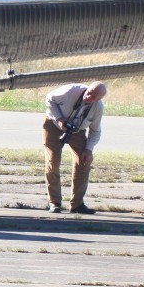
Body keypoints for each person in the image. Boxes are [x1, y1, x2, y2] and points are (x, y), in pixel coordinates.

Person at [43, 81, 106, 214]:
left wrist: (88, 150)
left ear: (99, 99)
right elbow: (49, 99)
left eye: (94, 97)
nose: (89, 97)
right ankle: (54, 203)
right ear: (87, 88)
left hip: (77, 130)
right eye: (89, 93)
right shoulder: (71, 90)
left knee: (84, 162)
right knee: (53, 161)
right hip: (54, 124)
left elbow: (95, 131)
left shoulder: (98, 108)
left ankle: (77, 204)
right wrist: (60, 119)